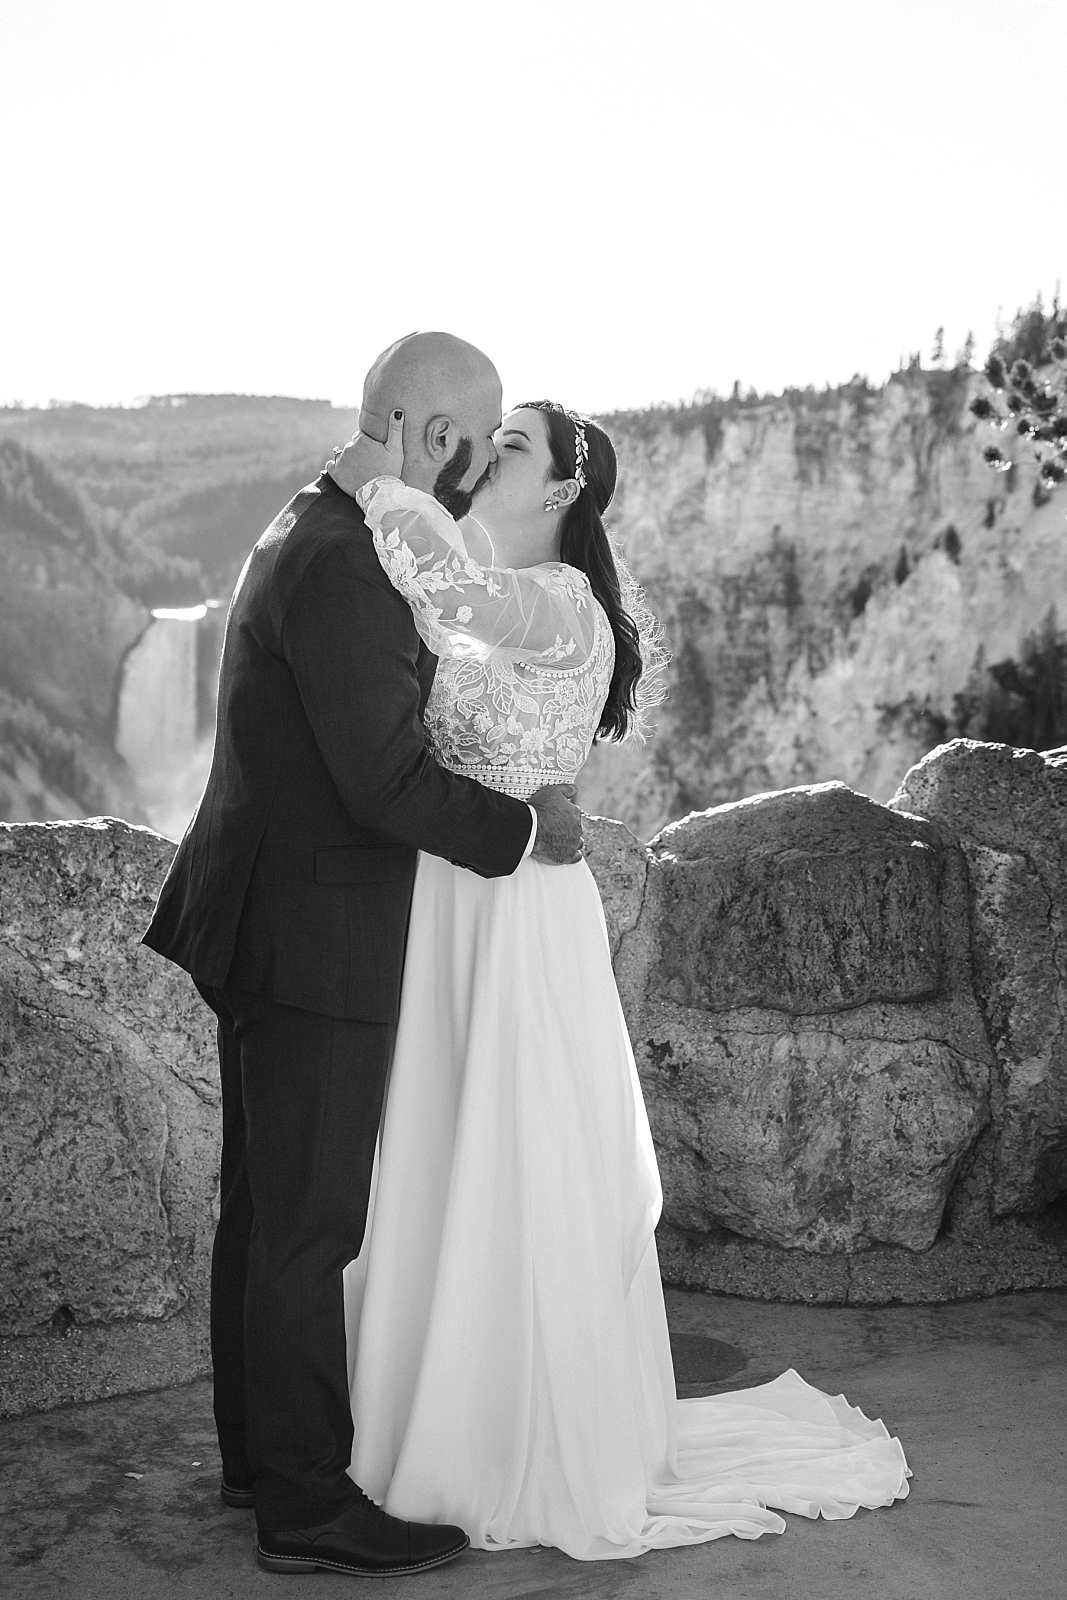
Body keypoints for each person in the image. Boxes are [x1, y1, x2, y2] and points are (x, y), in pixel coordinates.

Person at [326, 401, 911, 1560]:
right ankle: (426, 1409)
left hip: (512, 917)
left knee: (516, 1154)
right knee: (444, 1148)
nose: (483, 456)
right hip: (444, 898)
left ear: (557, 494)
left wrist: (371, 482)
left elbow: (456, 596)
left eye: (510, 446)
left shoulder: (561, 608)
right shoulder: (502, 596)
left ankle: (513, 1436)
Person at [141, 334, 585, 1579]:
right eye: (469, 444)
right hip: (311, 932)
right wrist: (523, 826)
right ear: (431, 436)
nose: (464, 479)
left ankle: (253, 1460)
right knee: (309, 1226)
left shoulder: (308, 518)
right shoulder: (344, 565)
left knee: (262, 1210)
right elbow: (383, 781)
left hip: (258, 910)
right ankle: (306, 1508)